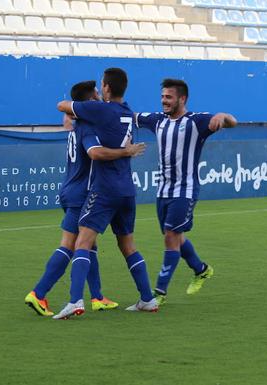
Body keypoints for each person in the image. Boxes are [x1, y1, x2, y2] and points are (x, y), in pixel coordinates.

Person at [25, 80, 146, 316]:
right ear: (90, 101)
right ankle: (39, 293)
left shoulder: (75, 125)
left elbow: (68, 116)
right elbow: (94, 153)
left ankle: (98, 296)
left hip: (71, 187)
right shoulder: (88, 127)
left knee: (88, 244)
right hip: (82, 192)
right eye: (97, 95)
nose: (101, 96)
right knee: (71, 245)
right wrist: (126, 151)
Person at [53, 68, 158, 319]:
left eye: (102, 86)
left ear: (108, 89)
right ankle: (148, 298)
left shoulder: (100, 109)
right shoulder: (127, 112)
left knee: (82, 243)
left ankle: (75, 301)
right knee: (128, 246)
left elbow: (62, 105)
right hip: (126, 190)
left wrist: (81, 105)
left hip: (105, 189)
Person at [135, 78, 237, 305]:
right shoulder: (157, 120)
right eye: (162, 97)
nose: (164, 101)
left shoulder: (196, 121)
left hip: (185, 189)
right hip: (163, 190)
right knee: (175, 236)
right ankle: (201, 269)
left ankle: (158, 294)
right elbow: (127, 116)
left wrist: (223, 115)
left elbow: (232, 121)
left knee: (171, 236)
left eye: (169, 97)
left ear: (182, 99)